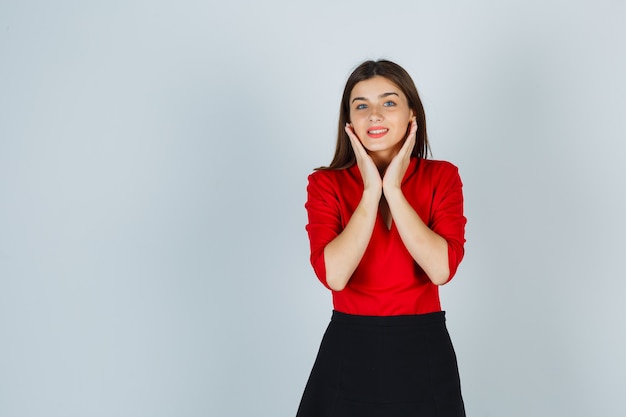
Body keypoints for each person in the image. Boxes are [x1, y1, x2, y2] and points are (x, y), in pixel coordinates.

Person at [296, 60, 467, 417]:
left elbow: (440, 270)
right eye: (361, 106)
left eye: (389, 102)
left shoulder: (443, 176)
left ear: (411, 115)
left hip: (423, 348)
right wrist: (372, 190)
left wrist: (394, 189)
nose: (374, 115)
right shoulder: (325, 184)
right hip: (349, 347)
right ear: (349, 122)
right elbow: (336, 276)